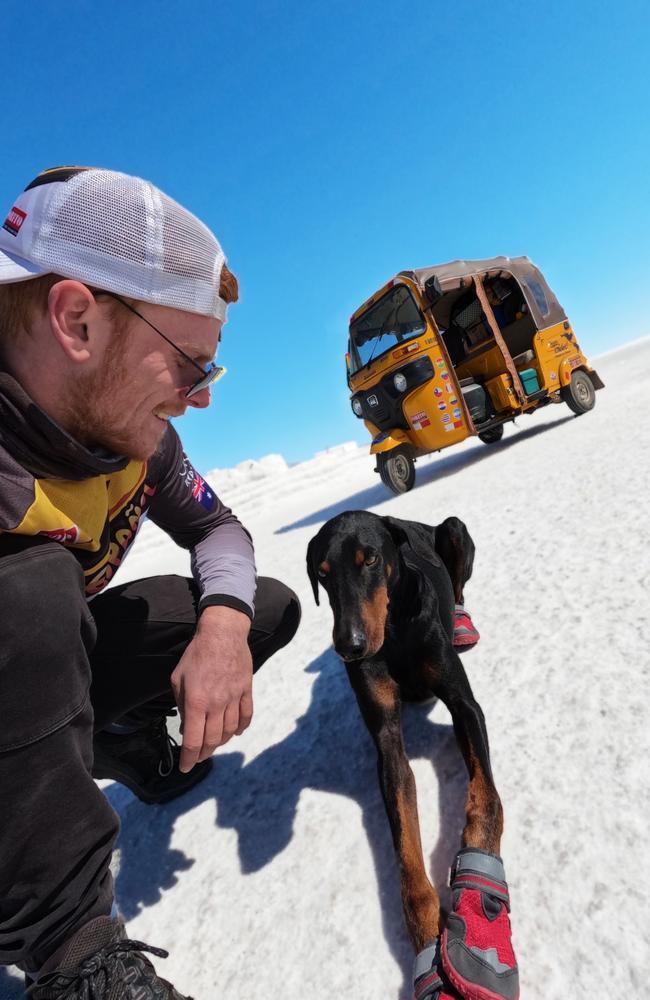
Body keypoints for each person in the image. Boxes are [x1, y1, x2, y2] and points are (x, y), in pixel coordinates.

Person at [0, 166, 301, 998]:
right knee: (28, 590)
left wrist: (224, 628)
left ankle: (112, 744)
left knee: (254, 606)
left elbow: (221, 529)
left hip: (40, 677)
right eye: (190, 366)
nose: (201, 398)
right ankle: (69, 954)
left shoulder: (136, 443)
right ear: (77, 321)